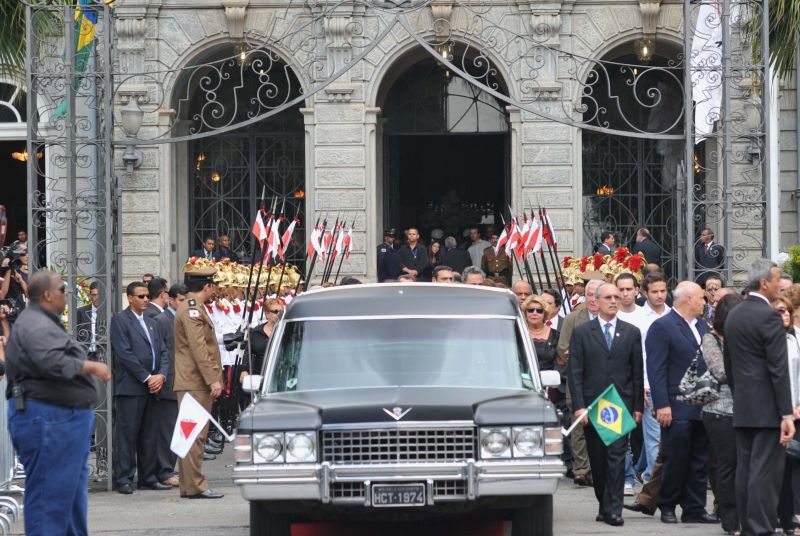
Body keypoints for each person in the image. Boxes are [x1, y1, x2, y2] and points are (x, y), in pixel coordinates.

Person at [6, 272, 111, 535]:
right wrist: (92, 366)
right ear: (48, 295)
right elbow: (51, 361)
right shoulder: (34, 324)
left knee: (71, 496)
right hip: (48, 419)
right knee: (49, 498)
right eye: (63, 289)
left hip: (60, 420)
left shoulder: (43, 321)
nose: (68, 294)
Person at [724, 259, 795, 536]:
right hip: (767, 408)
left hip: (744, 404)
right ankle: (761, 529)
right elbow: (778, 369)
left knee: (746, 469)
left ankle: (748, 525)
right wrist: (786, 414)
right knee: (765, 473)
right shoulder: (768, 317)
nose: (780, 284)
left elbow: (730, 366)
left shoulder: (735, 314)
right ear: (764, 283)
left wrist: (740, 394)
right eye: (777, 279)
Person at [568, 282, 643, 526]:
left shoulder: (631, 332)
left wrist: (637, 407)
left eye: (617, 296)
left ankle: (614, 509)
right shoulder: (582, 333)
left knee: (617, 458)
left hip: (618, 405)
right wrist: (579, 406)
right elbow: (575, 372)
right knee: (598, 461)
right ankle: (603, 503)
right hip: (592, 406)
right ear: (597, 302)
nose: (614, 300)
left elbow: (636, 373)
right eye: (608, 297)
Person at [646, 281, 715, 524]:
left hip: (702, 403)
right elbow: (656, 369)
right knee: (675, 457)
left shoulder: (703, 326)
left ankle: (694, 508)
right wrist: (662, 404)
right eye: (701, 298)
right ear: (688, 299)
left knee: (698, 458)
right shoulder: (662, 327)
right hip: (676, 405)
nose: (704, 302)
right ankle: (667, 504)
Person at [110, 282, 171, 494]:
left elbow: (163, 351)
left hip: (154, 387)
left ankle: (148, 476)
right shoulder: (120, 320)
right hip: (132, 386)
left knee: (149, 434)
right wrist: (147, 377)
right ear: (130, 298)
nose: (146, 299)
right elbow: (124, 353)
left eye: (147, 296)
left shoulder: (151, 321)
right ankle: (124, 478)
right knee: (128, 434)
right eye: (141, 296)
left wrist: (161, 375)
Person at [173, 266, 225, 499]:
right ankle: (196, 485)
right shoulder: (192, 310)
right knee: (195, 435)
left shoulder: (191, 308)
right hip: (195, 382)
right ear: (207, 286)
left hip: (191, 381)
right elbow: (199, 349)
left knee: (190, 434)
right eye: (213, 286)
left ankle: (188, 485)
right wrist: (213, 379)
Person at [701, 293, 742, 535]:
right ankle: (729, 518)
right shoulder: (712, 338)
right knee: (727, 464)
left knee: (741, 465)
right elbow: (720, 372)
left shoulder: (742, 337)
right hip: (719, 411)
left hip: (744, 409)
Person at [557, 278, 603, 487]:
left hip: (603, 381)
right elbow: (563, 348)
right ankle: (581, 469)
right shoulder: (573, 318)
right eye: (589, 294)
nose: (592, 299)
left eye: (596, 295)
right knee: (578, 426)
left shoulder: (610, 318)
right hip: (577, 380)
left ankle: (599, 468)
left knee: (602, 423)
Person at [152, 284, 188, 489]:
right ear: (171, 300)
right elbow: (161, 352)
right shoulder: (162, 320)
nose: (184, 304)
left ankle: (171, 467)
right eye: (181, 300)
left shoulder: (181, 319)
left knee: (178, 428)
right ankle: (164, 470)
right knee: (168, 429)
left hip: (183, 381)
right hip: (169, 383)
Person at [773, 296, 800, 535]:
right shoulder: (769, 340)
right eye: (780, 311)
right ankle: (775, 515)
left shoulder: (793, 339)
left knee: (792, 463)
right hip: (774, 412)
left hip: (794, 408)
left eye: (787, 311)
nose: (785, 315)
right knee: (776, 466)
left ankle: (790, 517)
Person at [241, 298, 285, 384]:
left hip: (280, 375)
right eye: (275, 311)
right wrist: (244, 371)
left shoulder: (286, 331)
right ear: (267, 314)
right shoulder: (256, 332)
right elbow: (248, 353)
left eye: (281, 312)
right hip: (259, 376)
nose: (279, 314)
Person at [522, 295, 559, 372]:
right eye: (531, 310)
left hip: (549, 381)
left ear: (544, 314)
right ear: (525, 313)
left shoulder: (556, 335)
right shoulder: (519, 332)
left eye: (539, 311)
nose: (534, 313)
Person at [76, 282, 101, 361]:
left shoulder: (108, 312)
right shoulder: (81, 312)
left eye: (99, 294)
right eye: (94, 295)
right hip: (86, 355)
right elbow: (75, 333)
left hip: (103, 355)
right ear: (90, 295)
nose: (97, 297)